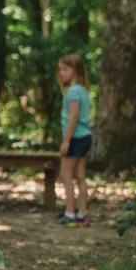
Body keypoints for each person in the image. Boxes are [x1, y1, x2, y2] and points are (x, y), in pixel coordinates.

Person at [55, 54, 92, 226]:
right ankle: (82, 212)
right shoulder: (83, 90)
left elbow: (73, 117)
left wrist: (66, 141)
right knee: (80, 175)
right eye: (60, 69)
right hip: (85, 136)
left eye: (65, 69)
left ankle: (70, 213)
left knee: (66, 175)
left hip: (75, 137)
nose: (61, 73)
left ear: (75, 70)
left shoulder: (73, 91)